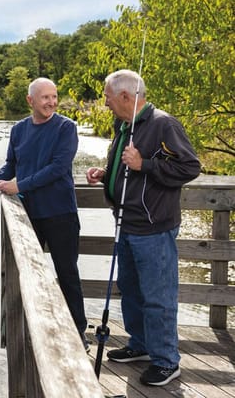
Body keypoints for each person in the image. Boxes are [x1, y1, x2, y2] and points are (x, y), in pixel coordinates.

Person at [86, 69, 201, 386]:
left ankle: (166, 361)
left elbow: (190, 166)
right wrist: (105, 172)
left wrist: (145, 165)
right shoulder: (123, 124)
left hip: (153, 228)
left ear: (125, 96)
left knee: (158, 297)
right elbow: (125, 164)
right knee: (132, 291)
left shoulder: (163, 124)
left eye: (108, 97)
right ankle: (141, 346)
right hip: (126, 224)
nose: (105, 103)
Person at [0, 77, 88, 351]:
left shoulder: (66, 128)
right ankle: (36, 330)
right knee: (29, 275)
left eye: (54, 96)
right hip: (28, 217)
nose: (51, 102)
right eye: (45, 97)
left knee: (67, 274)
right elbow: (12, 165)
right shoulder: (18, 130)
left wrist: (19, 185)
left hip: (60, 214)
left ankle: (78, 333)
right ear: (30, 101)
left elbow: (58, 168)